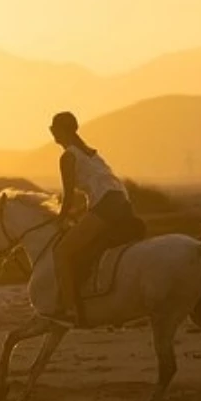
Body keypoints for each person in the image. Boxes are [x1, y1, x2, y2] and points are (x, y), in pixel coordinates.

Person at [48, 111, 136, 326]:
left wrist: (60, 219)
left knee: (61, 252)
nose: (52, 133)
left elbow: (68, 195)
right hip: (121, 202)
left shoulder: (68, 156)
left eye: (54, 129)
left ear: (61, 131)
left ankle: (69, 310)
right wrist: (79, 214)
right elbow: (94, 191)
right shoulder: (91, 153)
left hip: (106, 206)